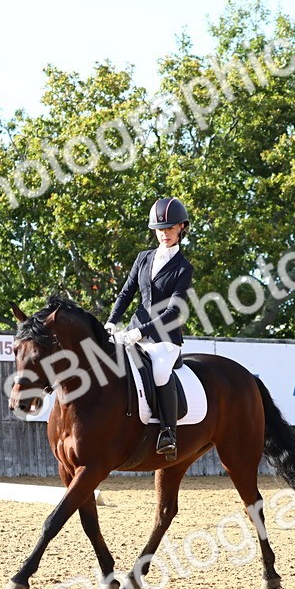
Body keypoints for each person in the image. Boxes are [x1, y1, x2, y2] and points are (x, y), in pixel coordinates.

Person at [105, 197, 194, 459]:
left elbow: (173, 312)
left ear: (181, 228)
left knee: (159, 373)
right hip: (134, 332)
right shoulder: (143, 258)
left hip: (165, 339)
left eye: (169, 228)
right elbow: (126, 293)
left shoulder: (183, 268)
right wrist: (112, 320)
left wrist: (140, 331)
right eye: (159, 229)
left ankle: (169, 433)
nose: (164, 233)